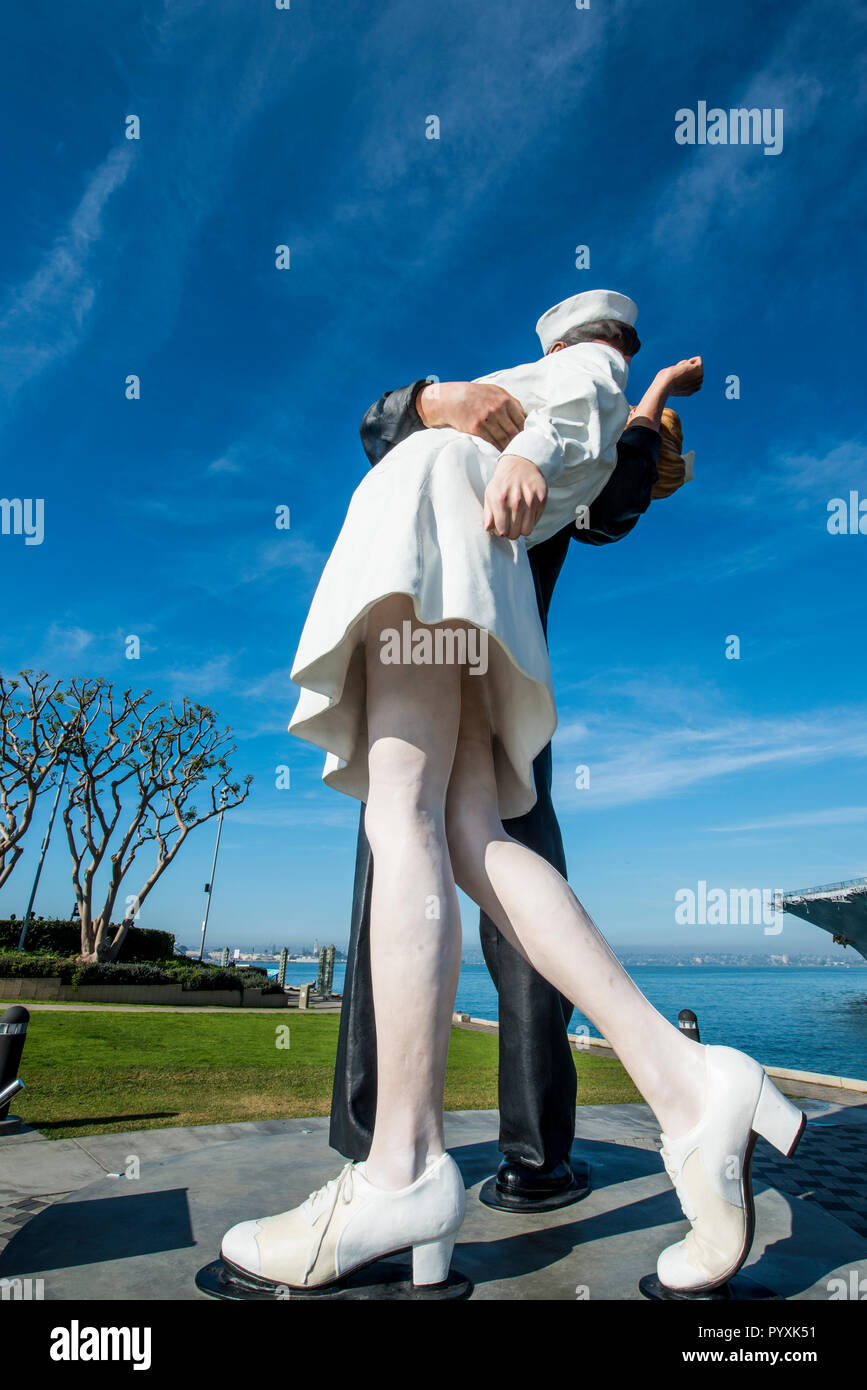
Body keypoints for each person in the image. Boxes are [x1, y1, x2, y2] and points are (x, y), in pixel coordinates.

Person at [220, 289, 805, 1296]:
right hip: (471, 564)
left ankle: (400, 1167)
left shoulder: (571, 378)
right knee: (467, 832)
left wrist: (535, 448)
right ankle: (685, 1082)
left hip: (436, 537)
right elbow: (595, 414)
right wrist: (637, 398)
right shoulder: (597, 382)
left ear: (576, 339)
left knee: (405, 815)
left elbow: (577, 409)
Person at [330, 349, 692, 1208]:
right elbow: (387, 427)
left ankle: (441, 1156)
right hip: (486, 679)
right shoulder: (509, 409)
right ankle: (439, 1149)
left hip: (462, 675)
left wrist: (646, 411)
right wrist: (433, 395)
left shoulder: (564, 430)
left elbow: (611, 492)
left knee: (425, 874)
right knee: (432, 883)